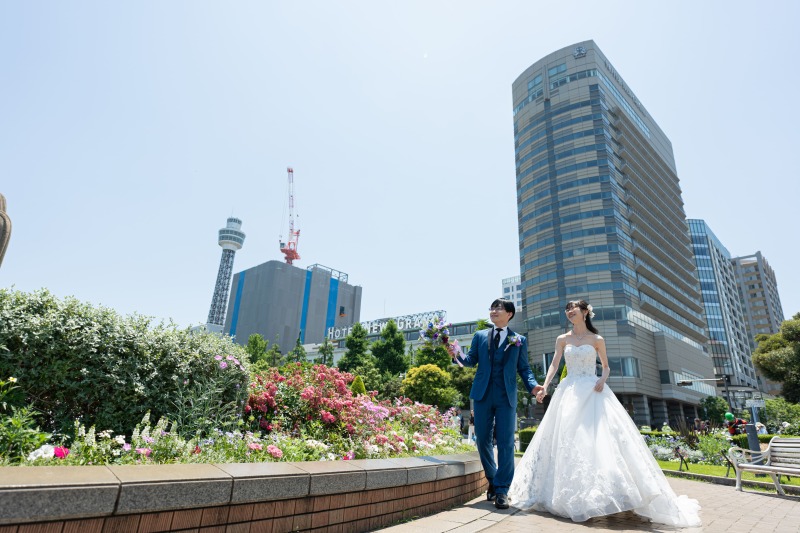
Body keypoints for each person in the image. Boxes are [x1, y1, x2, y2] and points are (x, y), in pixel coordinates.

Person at [508, 300, 701, 527]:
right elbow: (554, 365)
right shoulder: (563, 339)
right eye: (567, 309)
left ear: (585, 312)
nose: (569, 312)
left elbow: (606, 366)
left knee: (599, 441)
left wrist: (602, 379)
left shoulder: (597, 340)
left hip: (593, 390)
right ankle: (572, 496)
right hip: (569, 391)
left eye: (573, 309)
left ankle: (612, 495)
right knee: (569, 440)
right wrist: (545, 386)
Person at [452, 298, 543, 509]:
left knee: (505, 443)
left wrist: (533, 386)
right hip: (482, 394)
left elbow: (524, 368)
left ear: (509, 314)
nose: (493, 311)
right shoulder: (480, 336)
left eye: (498, 308)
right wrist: (456, 354)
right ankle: (493, 479)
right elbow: (470, 361)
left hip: (506, 397)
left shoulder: (518, 339)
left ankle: (502, 490)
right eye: (491, 308)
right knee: (482, 439)